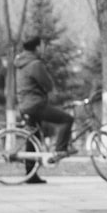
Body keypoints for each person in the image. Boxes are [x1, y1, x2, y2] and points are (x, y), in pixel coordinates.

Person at [14, 35, 73, 185]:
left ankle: (30, 174)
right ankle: (60, 150)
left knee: (32, 139)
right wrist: (51, 91)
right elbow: (47, 84)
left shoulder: (22, 62)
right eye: (43, 46)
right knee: (67, 119)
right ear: (37, 47)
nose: (44, 48)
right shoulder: (35, 64)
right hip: (35, 104)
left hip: (25, 105)